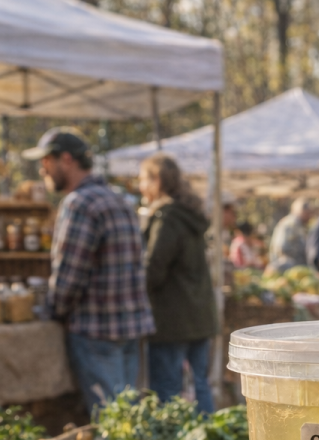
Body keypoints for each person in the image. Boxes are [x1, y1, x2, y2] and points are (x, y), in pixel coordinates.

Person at [22, 127, 154, 414]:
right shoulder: (120, 200)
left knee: (111, 419)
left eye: (46, 160)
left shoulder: (79, 203)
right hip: (130, 326)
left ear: (66, 159)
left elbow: (69, 276)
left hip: (97, 330)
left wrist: (54, 310)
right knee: (128, 417)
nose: (42, 169)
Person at [138, 153, 217, 412]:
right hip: (199, 314)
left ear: (157, 181)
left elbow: (154, 268)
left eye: (143, 180)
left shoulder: (167, 218)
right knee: (200, 385)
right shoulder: (190, 215)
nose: (140, 187)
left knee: (168, 389)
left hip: (173, 318)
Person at [270, 197, 312, 268]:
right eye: (309, 213)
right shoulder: (290, 224)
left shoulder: (297, 225)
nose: (310, 216)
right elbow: (281, 248)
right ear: (303, 212)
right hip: (288, 269)